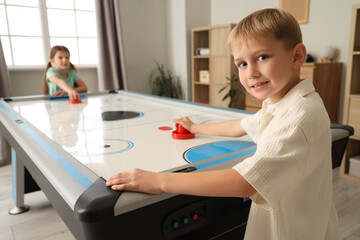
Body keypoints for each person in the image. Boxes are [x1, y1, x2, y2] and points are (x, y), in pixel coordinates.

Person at [106, 8, 339, 239]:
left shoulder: (298, 117)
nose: (251, 73)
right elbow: (240, 126)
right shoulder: (282, 102)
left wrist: (157, 181)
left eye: (262, 57)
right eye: (242, 64)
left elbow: (245, 183)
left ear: (297, 56)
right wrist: (196, 128)